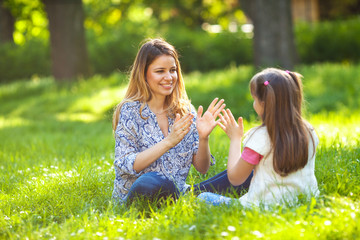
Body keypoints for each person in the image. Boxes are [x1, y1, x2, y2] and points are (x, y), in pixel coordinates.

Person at [112, 38, 251, 204]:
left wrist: (203, 138)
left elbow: (202, 168)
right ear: (143, 74)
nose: (169, 77)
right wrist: (169, 141)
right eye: (160, 71)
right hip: (141, 192)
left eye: (172, 70)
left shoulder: (184, 110)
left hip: (180, 192)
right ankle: (198, 201)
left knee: (248, 172)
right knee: (150, 181)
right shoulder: (130, 110)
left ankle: (189, 201)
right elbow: (126, 164)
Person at [198, 68, 319, 207]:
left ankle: (191, 192)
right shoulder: (309, 131)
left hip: (264, 207)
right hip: (305, 202)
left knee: (203, 197)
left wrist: (235, 139)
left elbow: (235, 178)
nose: (253, 103)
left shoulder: (260, 138)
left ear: (263, 104)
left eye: (254, 99)